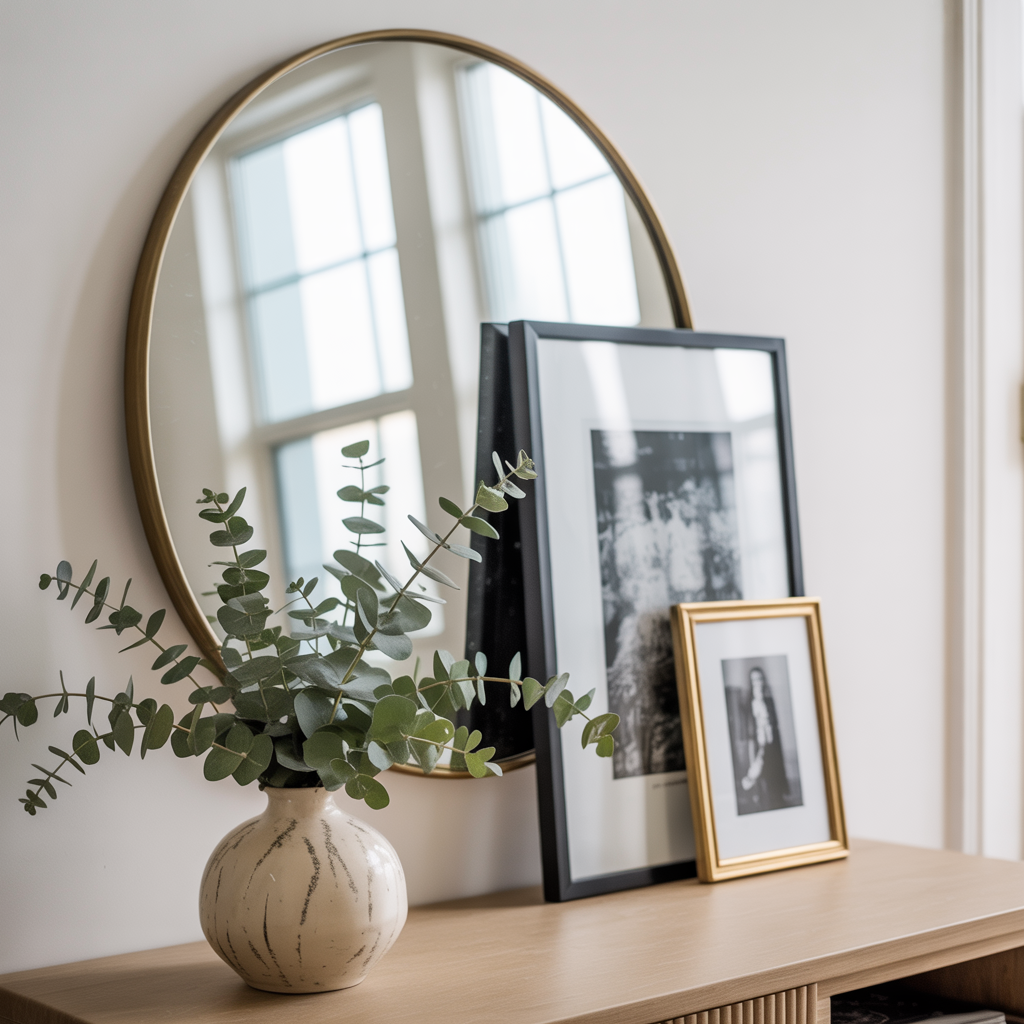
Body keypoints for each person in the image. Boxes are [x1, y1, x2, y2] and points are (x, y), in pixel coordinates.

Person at [738, 667, 790, 811]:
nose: (757, 682)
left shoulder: (768, 700)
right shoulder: (749, 702)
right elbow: (748, 724)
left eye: (760, 679)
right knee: (759, 766)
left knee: (772, 768)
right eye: (754, 679)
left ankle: (777, 797)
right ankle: (756, 791)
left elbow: (773, 720)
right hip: (757, 741)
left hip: (771, 740)